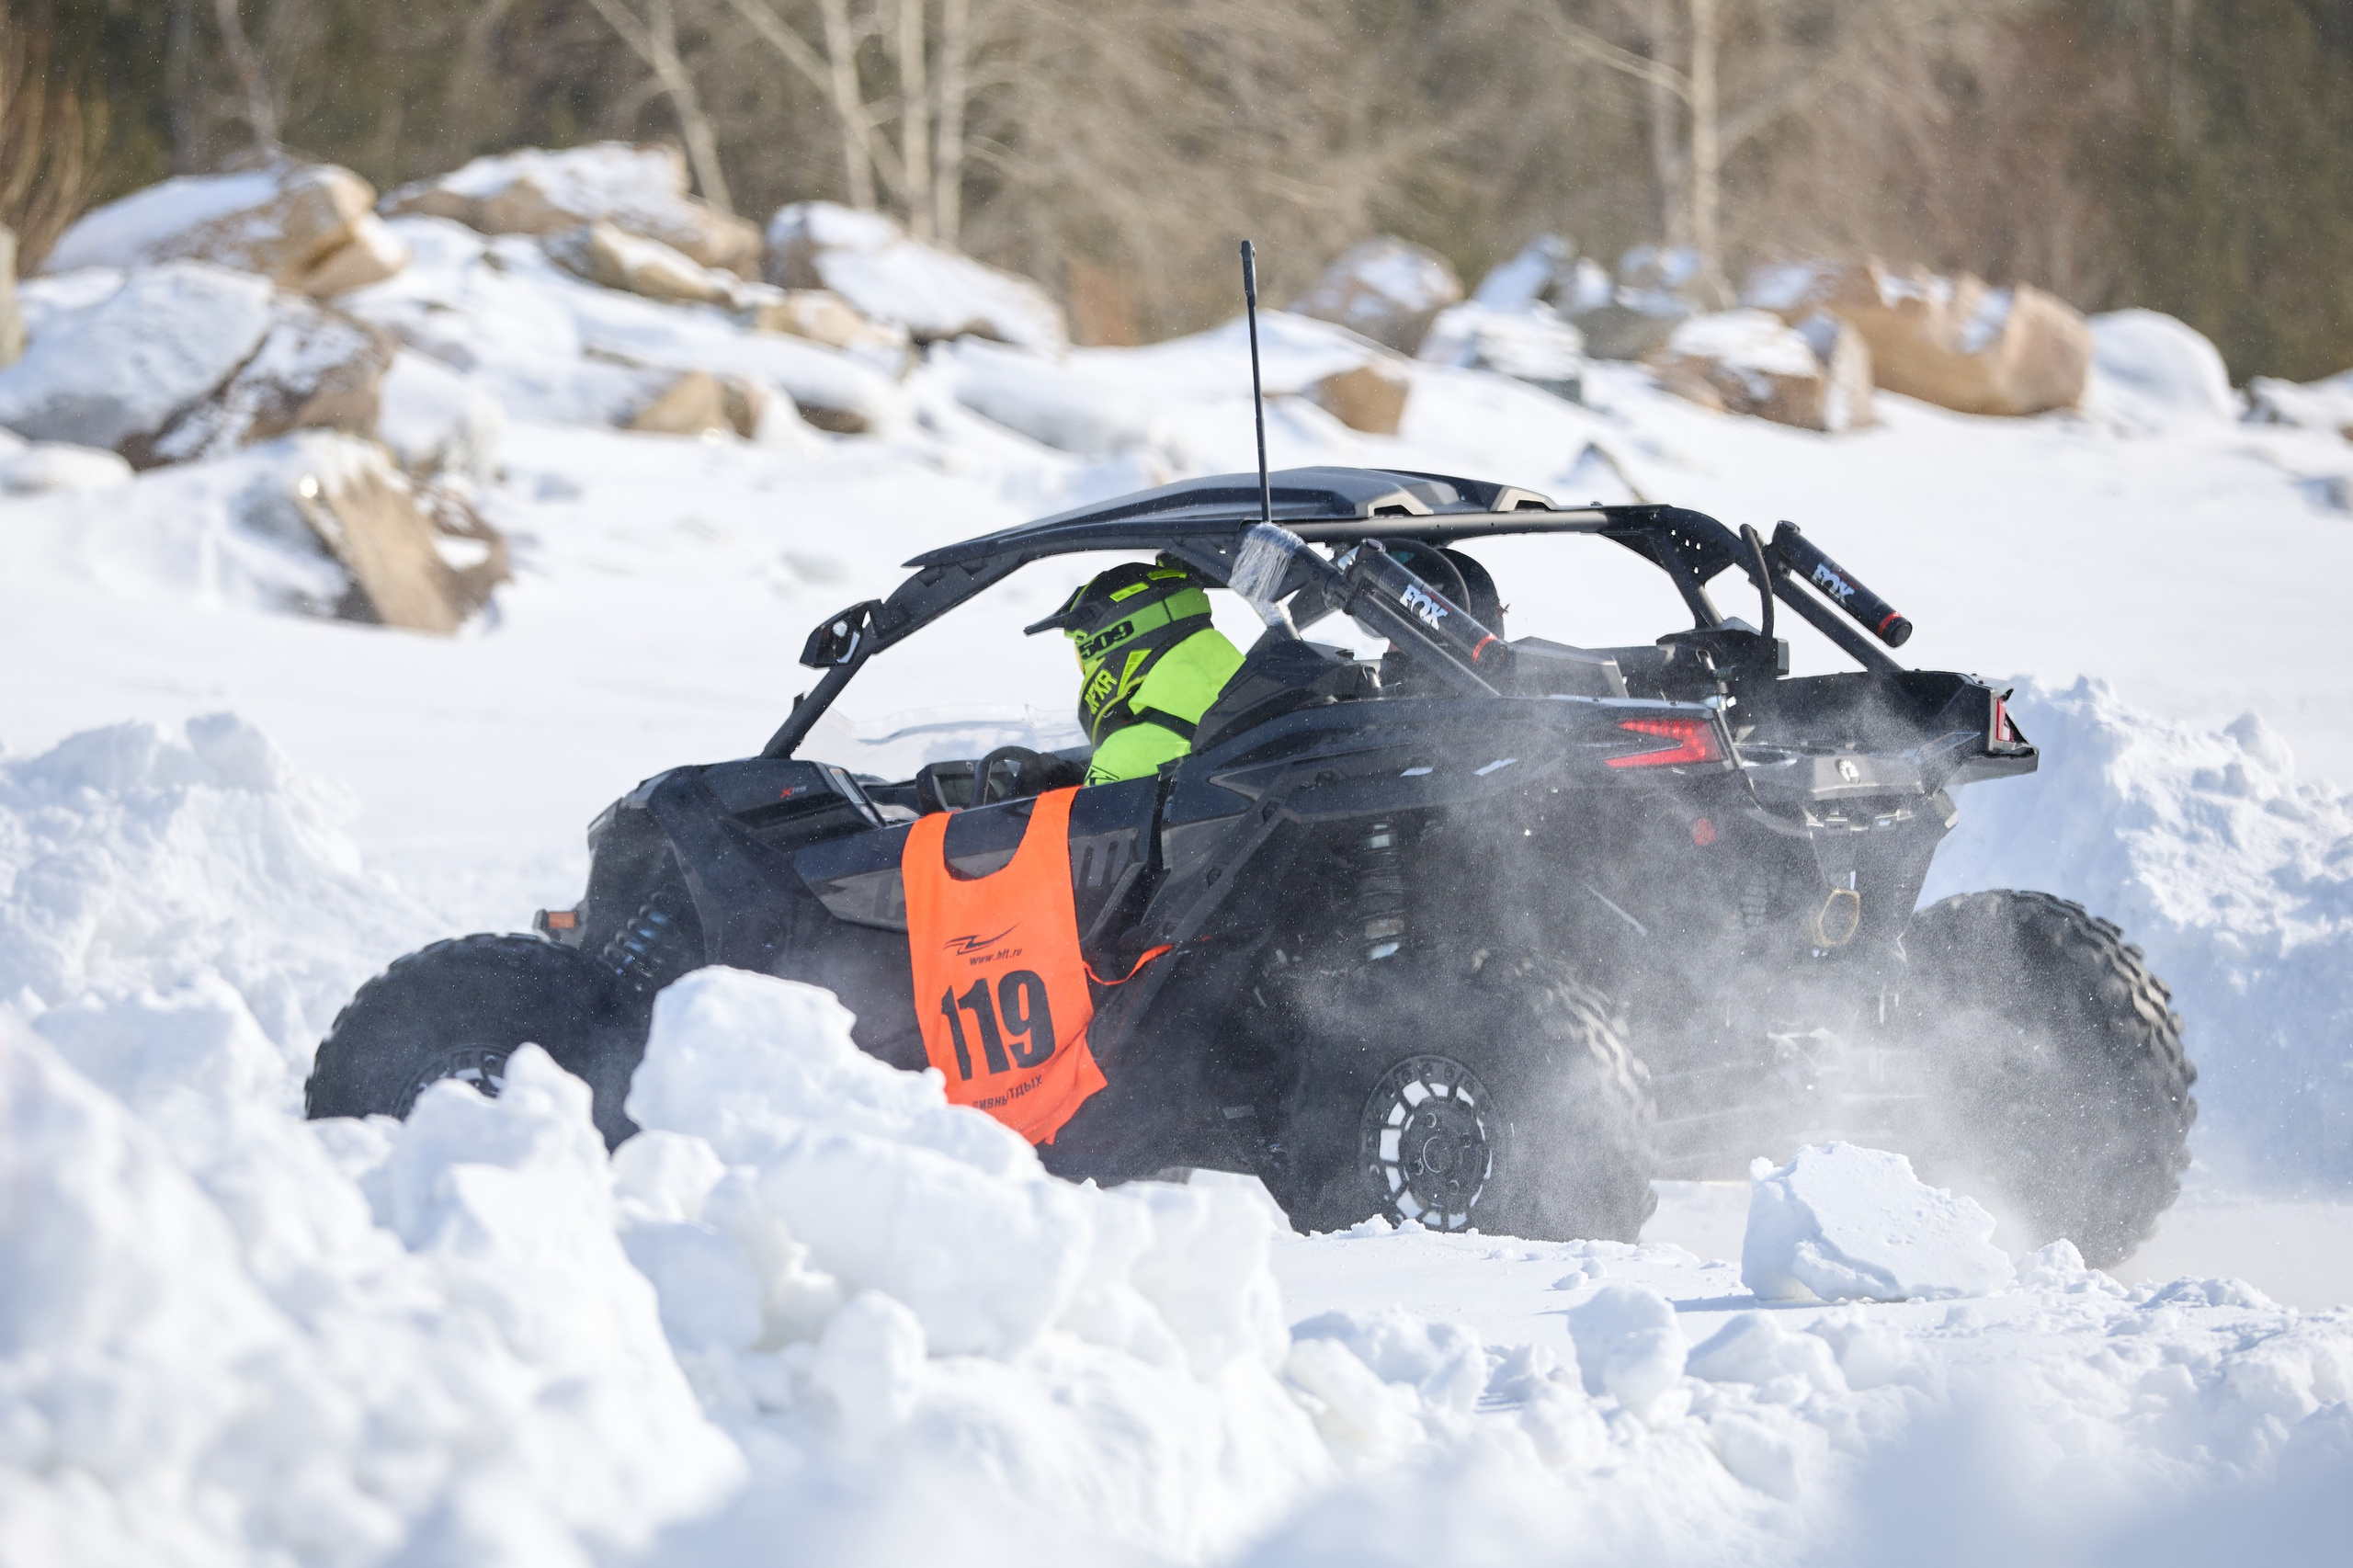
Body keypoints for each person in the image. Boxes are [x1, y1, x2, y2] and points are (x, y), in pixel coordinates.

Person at [1026, 556, 1245, 784]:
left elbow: (1084, 818)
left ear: (1114, 640)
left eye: (1083, 657)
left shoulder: (1124, 757)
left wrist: (1040, 791)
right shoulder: (1258, 701)